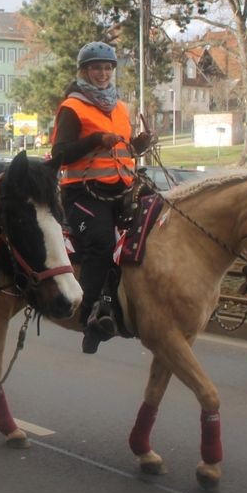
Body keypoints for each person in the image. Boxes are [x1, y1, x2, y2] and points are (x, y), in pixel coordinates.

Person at [51, 41, 154, 354]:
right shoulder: (72, 107)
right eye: (96, 68)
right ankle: (88, 314)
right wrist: (96, 138)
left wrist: (138, 145)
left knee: (156, 231)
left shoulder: (120, 107)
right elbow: (60, 155)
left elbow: (121, 152)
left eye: (107, 68)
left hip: (121, 188)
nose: (102, 73)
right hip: (83, 193)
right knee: (101, 244)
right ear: (84, 71)